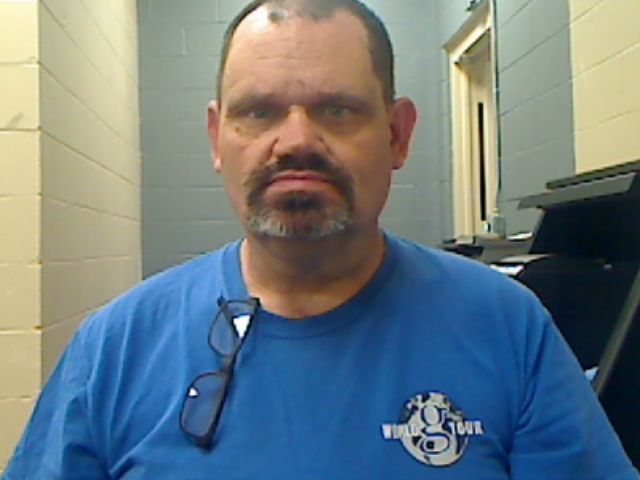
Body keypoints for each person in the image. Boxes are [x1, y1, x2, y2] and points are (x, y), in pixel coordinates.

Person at [3, 0, 638, 478]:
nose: (297, 141)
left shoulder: (507, 328)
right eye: (259, 111)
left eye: (337, 109)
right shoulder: (116, 348)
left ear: (397, 135)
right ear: (217, 139)